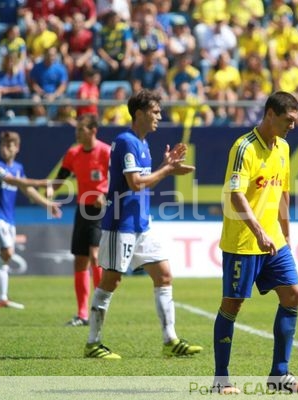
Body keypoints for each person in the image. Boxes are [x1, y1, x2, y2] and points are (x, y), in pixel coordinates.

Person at [83, 89, 202, 359]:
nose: (160, 116)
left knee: (164, 275)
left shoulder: (143, 144)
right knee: (111, 281)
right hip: (121, 224)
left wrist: (165, 165)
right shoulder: (126, 141)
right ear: (139, 113)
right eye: (155, 111)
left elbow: (144, 180)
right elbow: (134, 183)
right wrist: (167, 169)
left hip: (141, 224)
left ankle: (170, 340)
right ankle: (93, 342)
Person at [212, 91, 298, 394]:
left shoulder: (283, 147)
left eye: (295, 120)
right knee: (233, 305)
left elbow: (283, 193)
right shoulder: (244, 148)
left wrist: (286, 233)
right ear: (270, 114)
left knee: (293, 296)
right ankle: (221, 379)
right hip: (244, 241)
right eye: (288, 120)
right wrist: (258, 231)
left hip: (274, 241)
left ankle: (279, 375)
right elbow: (235, 194)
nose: (292, 126)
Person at [0, 131, 62, 309]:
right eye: (3, 145)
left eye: (9, 146)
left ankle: (2, 298)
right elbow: (13, 181)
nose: (5, 149)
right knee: (7, 253)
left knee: (4, 258)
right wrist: (41, 183)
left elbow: (27, 190)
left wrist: (48, 204)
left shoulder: (18, 167)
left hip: (10, 219)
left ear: (17, 148)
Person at [49, 114, 111, 326]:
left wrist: (105, 195)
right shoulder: (73, 153)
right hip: (82, 209)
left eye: (80, 130)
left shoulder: (105, 151)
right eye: (76, 130)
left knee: (95, 256)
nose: (77, 134)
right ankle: (82, 313)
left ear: (93, 130)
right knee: (80, 260)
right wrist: (48, 196)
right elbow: (60, 179)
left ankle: (99, 307)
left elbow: (118, 180)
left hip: (99, 209)